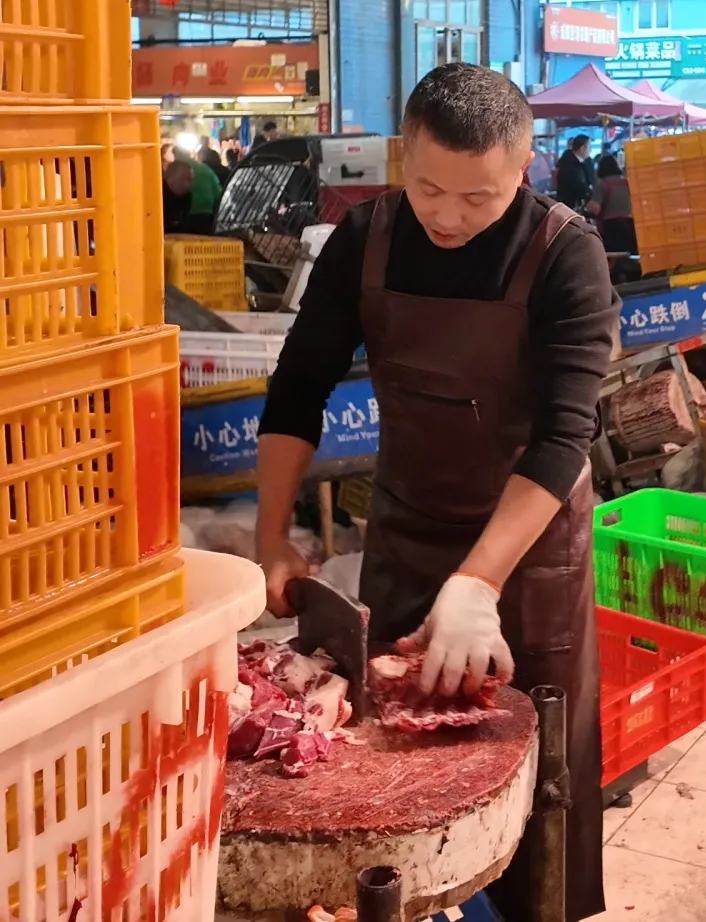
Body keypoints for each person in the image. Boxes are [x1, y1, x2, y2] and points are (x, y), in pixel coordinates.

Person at [255, 62, 616, 922]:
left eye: (479, 197)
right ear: (400, 159)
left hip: (526, 560)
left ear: (524, 165)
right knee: (389, 778)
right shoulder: (366, 238)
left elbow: (566, 435)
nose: (449, 216)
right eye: (428, 189)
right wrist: (272, 537)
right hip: (407, 531)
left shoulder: (568, 253)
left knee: (539, 783)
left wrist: (479, 581)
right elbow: (297, 386)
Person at [586, 154, 636, 253]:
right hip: (630, 225)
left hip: (611, 227)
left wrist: (586, 210)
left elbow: (595, 209)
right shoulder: (627, 182)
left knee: (612, 256)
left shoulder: (602, 184)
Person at [555, 134, 593, 209]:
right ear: (582, 148)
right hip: (569, 206)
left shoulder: (585, 163)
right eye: (589, 147)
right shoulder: (569, 164)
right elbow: (577, 185)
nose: (590, 150)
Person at [162, 160, 193, 233]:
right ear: (170, 176)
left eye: (189, 180)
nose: (187, 184)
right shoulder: (158, 194)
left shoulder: (187, 195)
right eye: (182, 179)